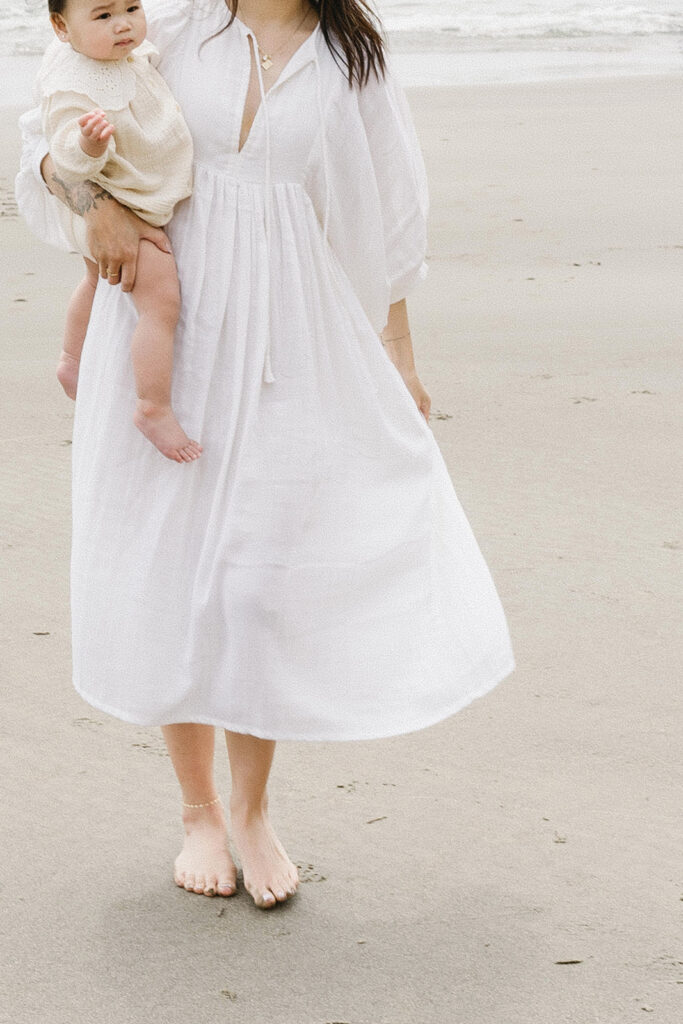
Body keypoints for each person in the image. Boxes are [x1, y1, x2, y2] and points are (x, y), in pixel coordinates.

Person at [16, 0, 515, 909]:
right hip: (168, 324)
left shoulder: (350, 54)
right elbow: (44, 136)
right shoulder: (167, 20)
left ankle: (251, 809)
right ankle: (197, 809)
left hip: (291, 326)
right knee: (172, 571)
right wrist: (92, 207)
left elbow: (384, 211)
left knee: (259, 582)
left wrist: (397, 356)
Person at [40, 0, 201, 463]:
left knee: (93, 280)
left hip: (134, 191)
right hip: (122, 202)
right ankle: (153, 405)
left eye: (131, 7)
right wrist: (88, 143)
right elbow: (64, 149)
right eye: (103, 16)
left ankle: (72, 361)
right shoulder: (72, 82)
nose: (123, 24)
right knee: (161, 302)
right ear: (61, 28)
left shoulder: (131, 55)